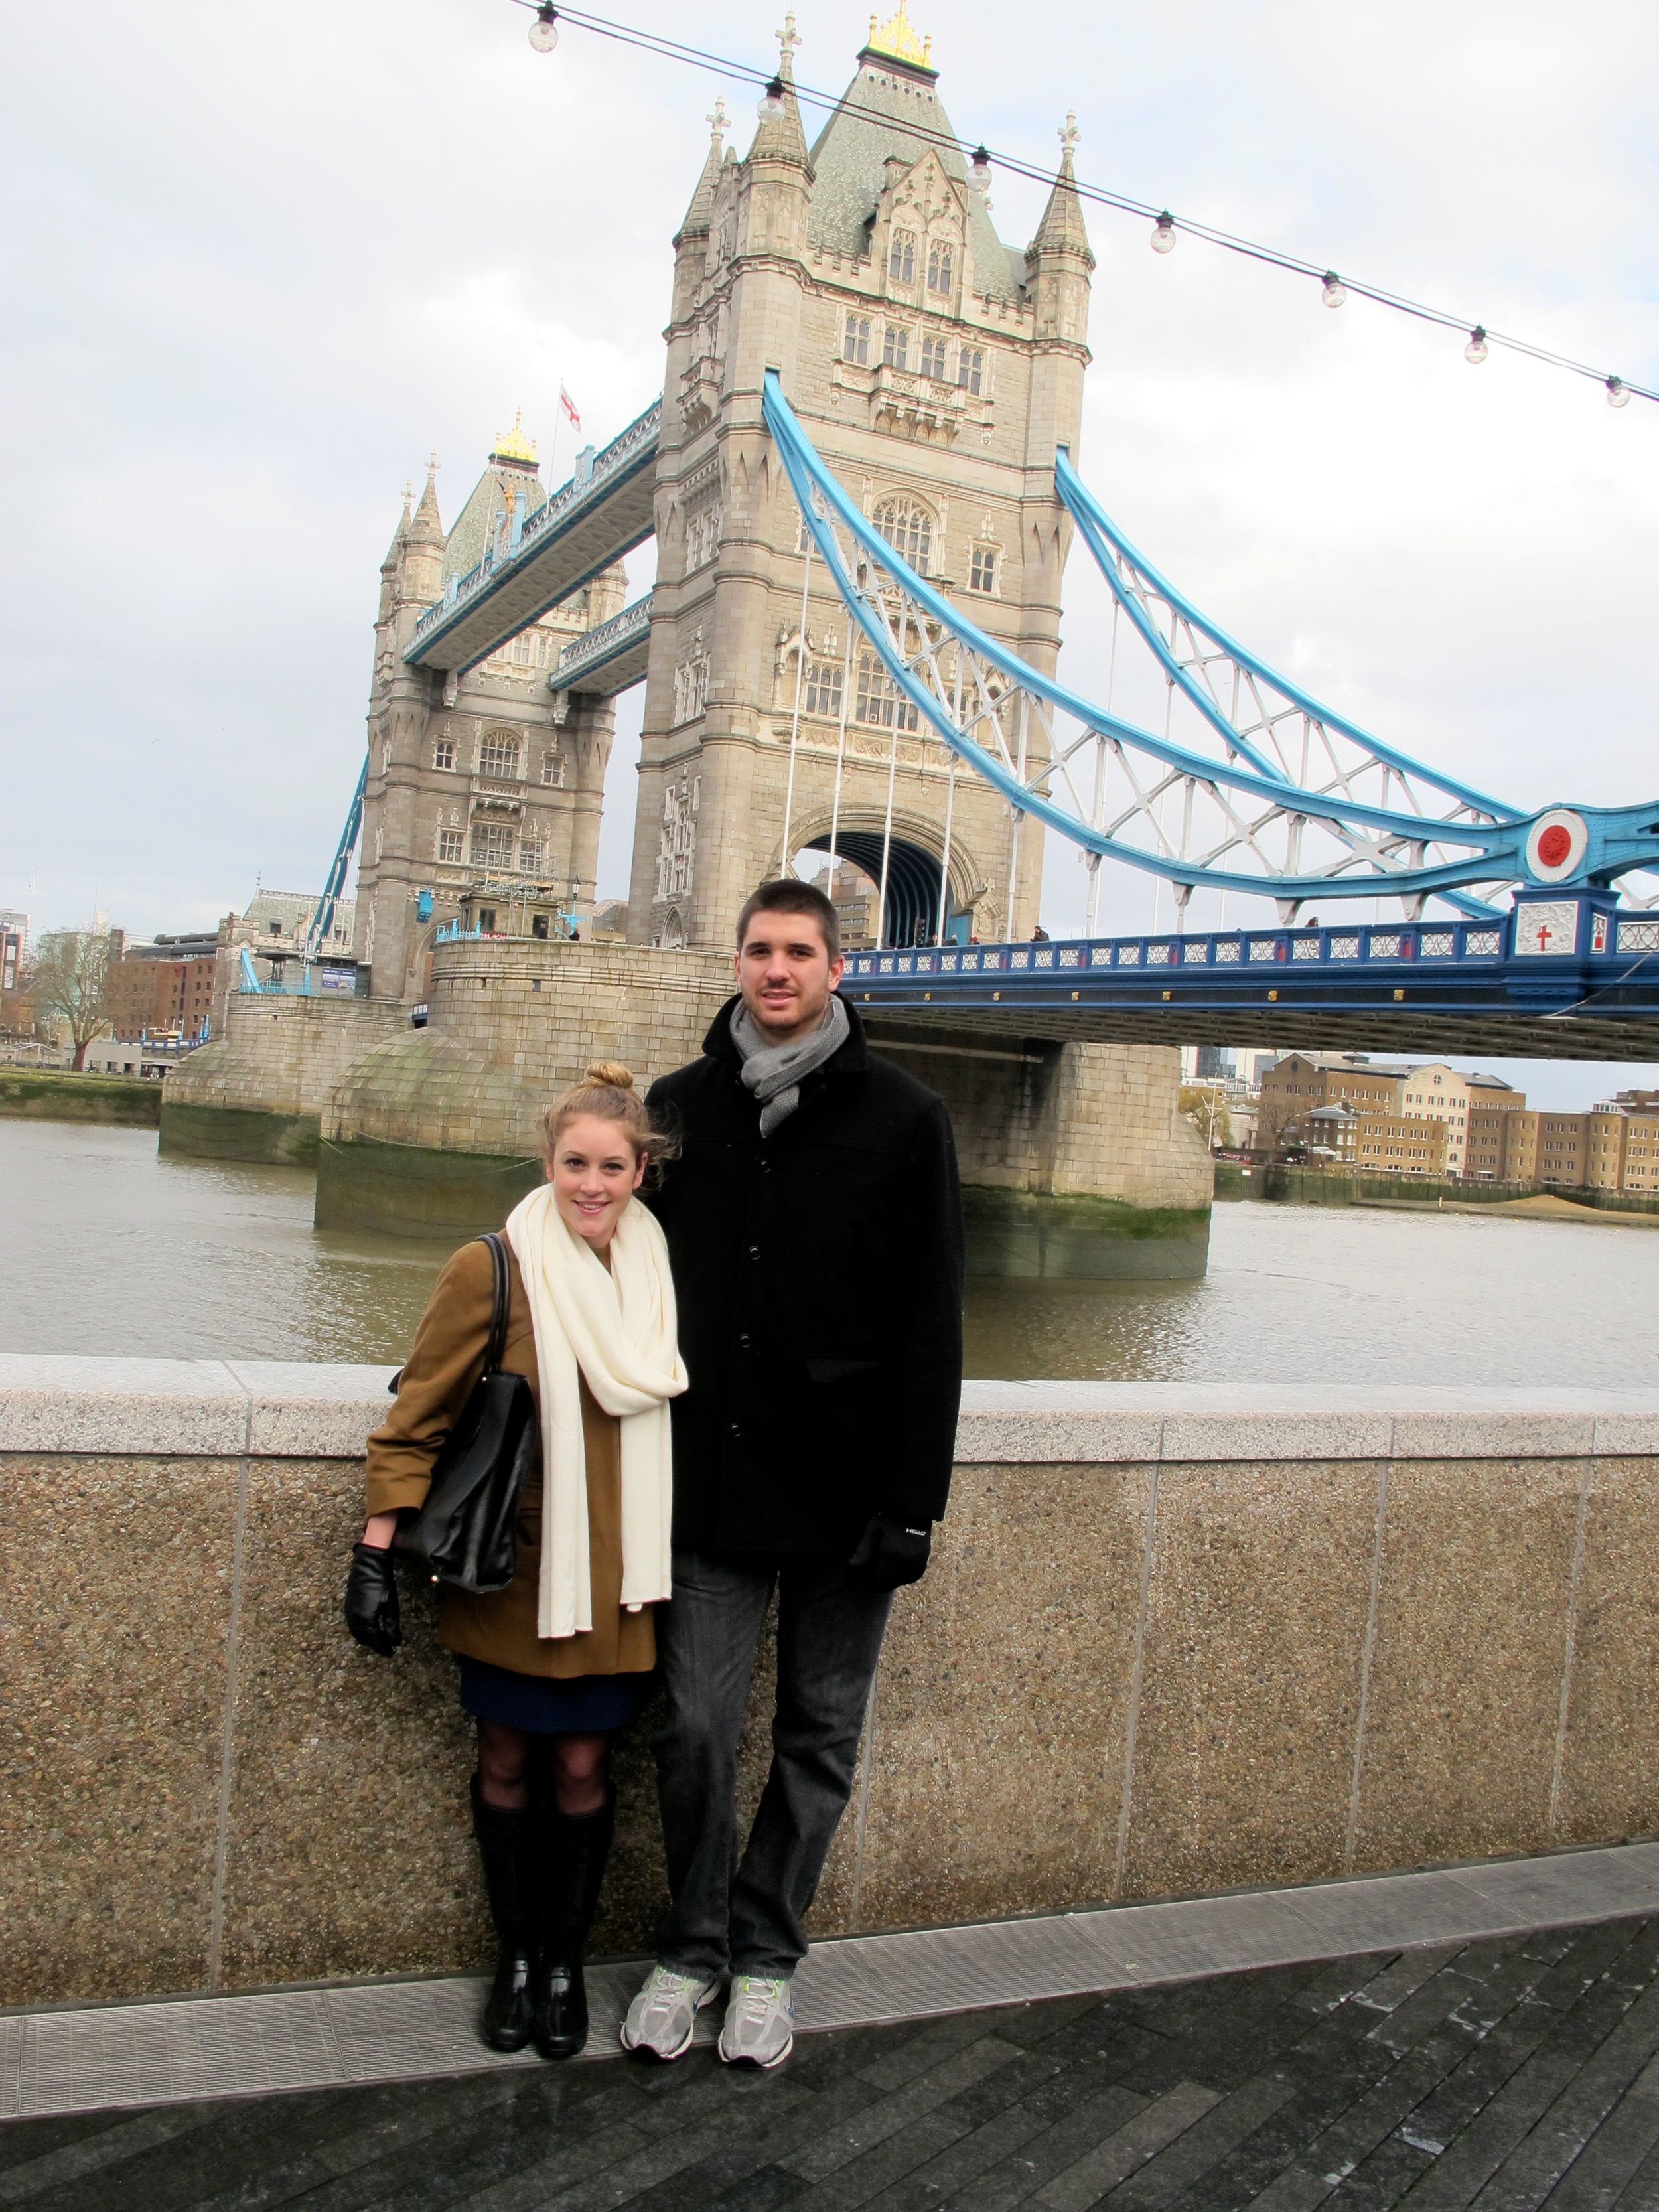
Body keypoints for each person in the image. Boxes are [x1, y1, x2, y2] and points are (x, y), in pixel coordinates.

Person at [622, 879, 964, 2070]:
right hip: (706, 1482)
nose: (777, 970)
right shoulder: (674, 1109)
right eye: (760, 950)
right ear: (737, 959)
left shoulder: (907, 1116)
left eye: (799, 952)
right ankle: (691, 1943)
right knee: (698, 1728)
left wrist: (914, 1500)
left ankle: (766, 1957)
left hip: (849, 1485)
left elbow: (934, 1322)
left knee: (820, 1733)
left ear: (836, 966)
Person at [343, 1064, 685, 2061]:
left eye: (612, 1165)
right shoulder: (491, 1268)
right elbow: (415, 1421)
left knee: (583, 1767)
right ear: (548, 1163)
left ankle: (567, 1962)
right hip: (518, 1573)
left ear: (641, 1171)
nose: (591, 1183)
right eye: (574, 1162)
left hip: (620, 1582)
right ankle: (516, 1962)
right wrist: (374, 1552)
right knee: (504, 1761)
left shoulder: (661, 1278)